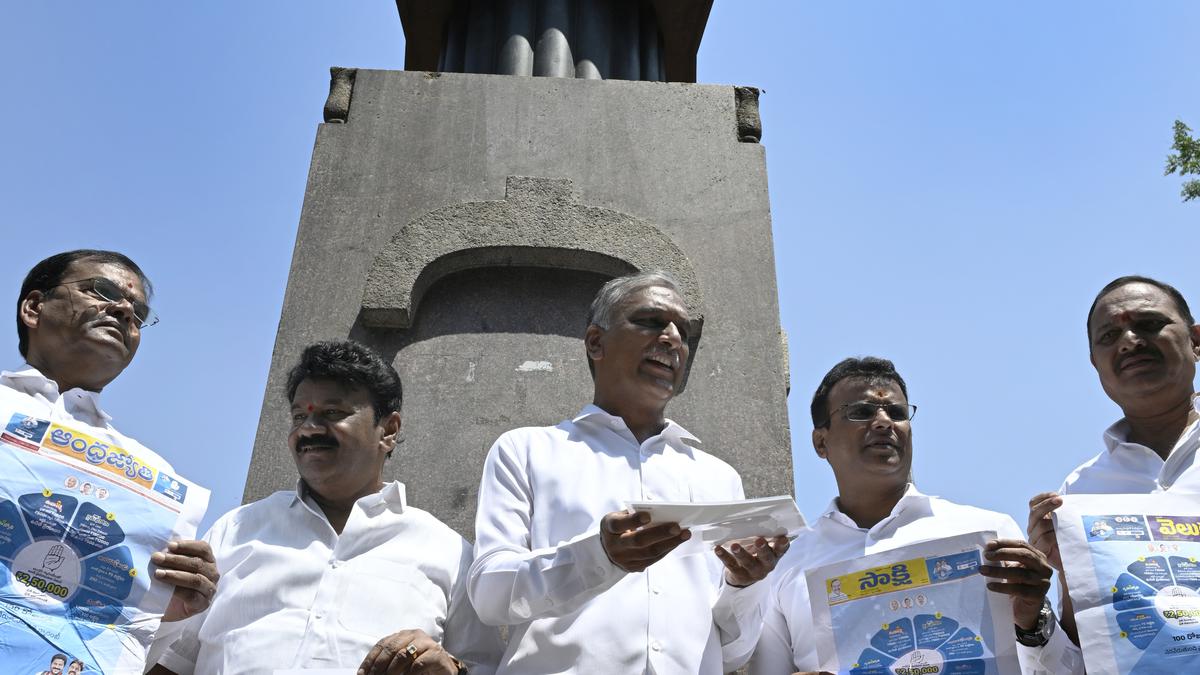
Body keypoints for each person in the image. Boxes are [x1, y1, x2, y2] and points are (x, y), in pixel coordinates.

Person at [468, 271, 789, 674]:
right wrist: (599, 556)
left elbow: (732, 653)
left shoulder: (718, 478)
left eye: (683, 331)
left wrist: (744, 585)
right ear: (596, 343)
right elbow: (490, 593)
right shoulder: (527, 450)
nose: (672, 338)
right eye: (651, 321)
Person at [151, 340, 501, 675]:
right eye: (299, 416)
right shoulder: (236, 530)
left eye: (332, 413)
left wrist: (447, 668)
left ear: (389, 430)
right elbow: (171, 663)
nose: (309, 429)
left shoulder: (450, 553)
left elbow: (485, 667)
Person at [749, 357, 1083, 675]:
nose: (883, 422)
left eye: (896, 412)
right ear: (821, 442)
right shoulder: (786, 563)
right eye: (861, 412)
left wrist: (1033, 623)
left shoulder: (988, 533)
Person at [6, 250, 219, 658]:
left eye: (138, 313)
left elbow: (124, 648)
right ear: (34, 307)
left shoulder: (152, 474)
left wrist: (165, 611)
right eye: (100, 291)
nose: (123, 310)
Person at [1028, 275, 1200, 644]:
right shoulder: (1079, 492)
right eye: (1109, 336)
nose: (1129, 342)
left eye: (1149, 324)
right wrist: (1061, 576)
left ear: (1196, 340)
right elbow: (1085, 645)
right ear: (1095, 363)